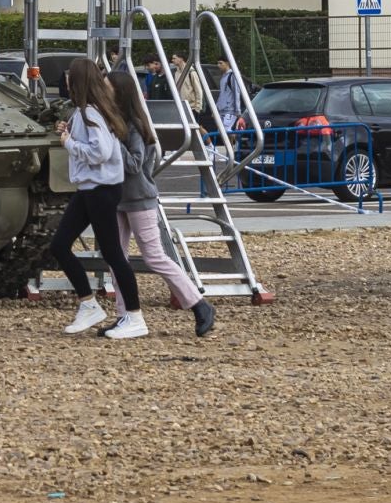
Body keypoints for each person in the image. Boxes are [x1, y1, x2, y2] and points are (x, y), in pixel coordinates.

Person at [108, 69, 216, 338]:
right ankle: (124, 315)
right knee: (115, 258)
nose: (104, 92)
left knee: (154, 256)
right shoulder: (120, 122)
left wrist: (112, 141)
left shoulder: (134, 126)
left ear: (119, 93)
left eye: (108, 88)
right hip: (119, 198)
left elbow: (134, 164)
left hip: (139, 198)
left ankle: (199, 304)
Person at [47, 60, 145, 340]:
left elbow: (99, 151)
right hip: (94, 188)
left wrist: (69, 143)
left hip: (99, 189)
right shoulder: (92, 111)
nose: (66, 81)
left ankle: (135, 317)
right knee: (60, 245)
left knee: (113, 253)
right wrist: (70, 131)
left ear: (78, 82)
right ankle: (89, 304)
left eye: (69, 77)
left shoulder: (90, 112)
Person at [214, 54, 244, 133]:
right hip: (222, 109)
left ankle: (234, 143)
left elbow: (236, 93)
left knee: (226, 131)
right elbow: (222, 94)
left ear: (227, 63)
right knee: (222, 132)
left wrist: (237, 111)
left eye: (221, 63)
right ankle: (232, 144)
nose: (218, 65)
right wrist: (216, 108)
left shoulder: (232, 76)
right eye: (218, 63)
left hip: (230, 110)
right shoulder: (223, 77)